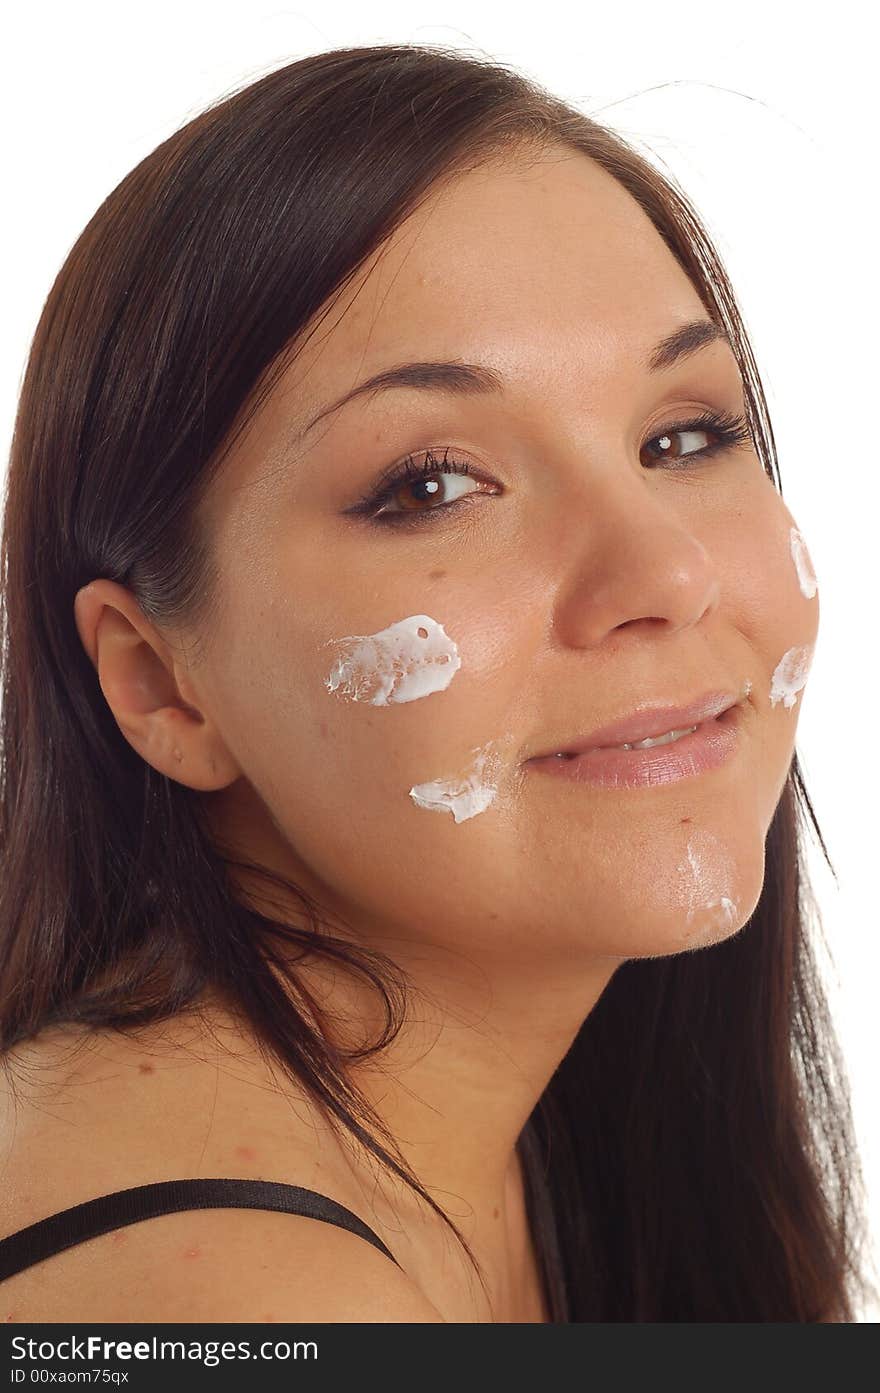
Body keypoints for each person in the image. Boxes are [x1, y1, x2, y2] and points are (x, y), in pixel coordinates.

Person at [0, 43, 871, 1324]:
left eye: (681, 438)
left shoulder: (550, 1144)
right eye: (431, 485)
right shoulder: (245, 1306)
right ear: (161, 686)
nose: (665, 573)